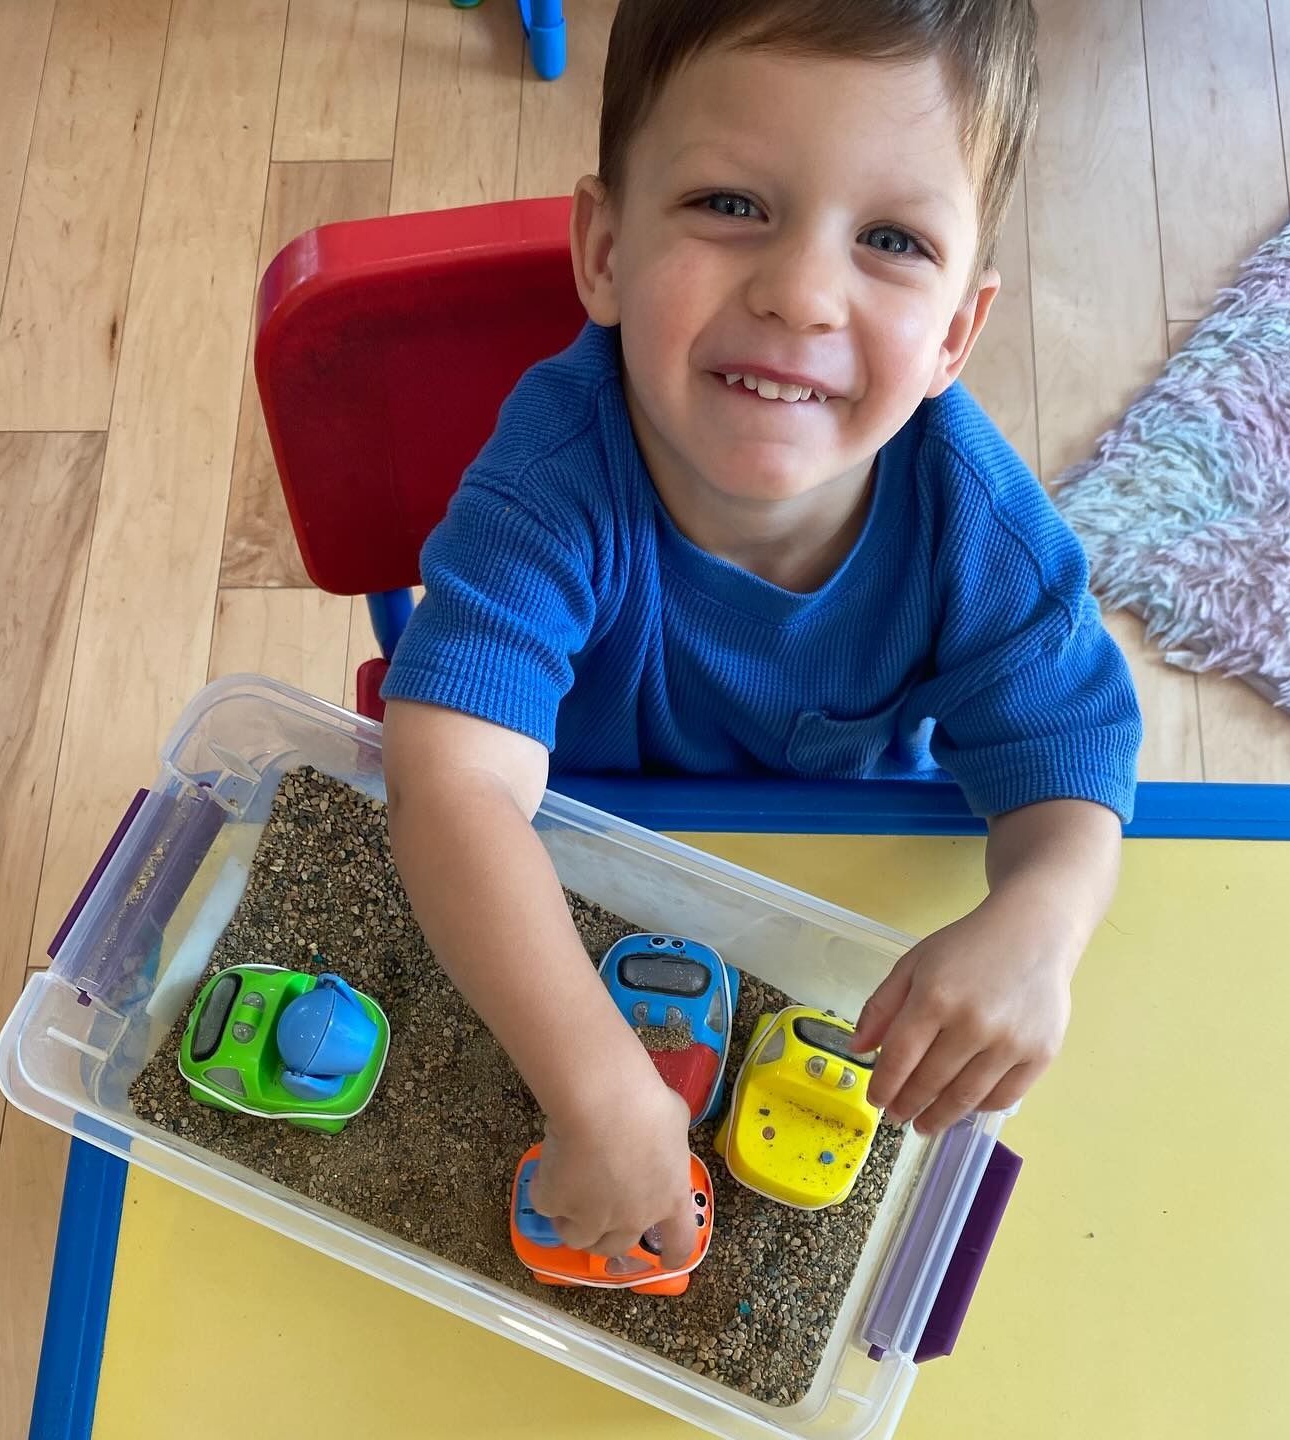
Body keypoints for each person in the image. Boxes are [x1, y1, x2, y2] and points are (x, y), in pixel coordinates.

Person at [381, 0, 1142, 1270]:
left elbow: (1074, 756)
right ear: (607, 248)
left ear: (957, 330)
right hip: (571, 867)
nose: (799, 294)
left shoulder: (977, 527)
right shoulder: (555, 474)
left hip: (836, 898)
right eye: (733, 204)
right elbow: (451, 785)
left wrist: (1044, 919)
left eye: (893, 240)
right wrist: (602, 1089)